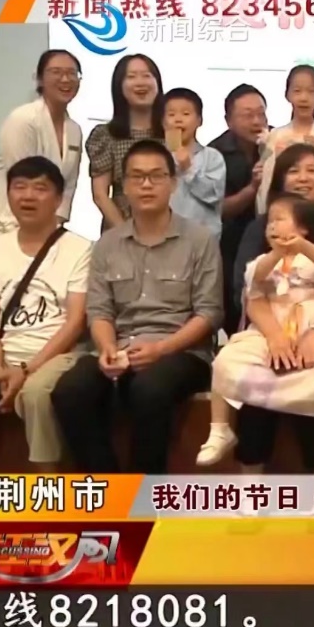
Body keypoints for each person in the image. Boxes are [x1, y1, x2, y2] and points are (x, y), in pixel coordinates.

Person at [51, 140, 221, 473]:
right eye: (137, 177)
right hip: (120, 348)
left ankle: (146, 492)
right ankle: (111, 485)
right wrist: (107, 348)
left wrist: (161, 349)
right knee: (70, 391)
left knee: (148, 389)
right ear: (124, 185)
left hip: (182, 352)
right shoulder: (107, 245)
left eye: (156, 176)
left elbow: (209, 313)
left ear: (173, 183)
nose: (146, 184)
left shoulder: (199, 240)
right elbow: (99, 310)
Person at [200, 194, 314, 468]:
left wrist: (302, 247)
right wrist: (278, 253)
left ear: (303, 228)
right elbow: (253, 280)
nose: (272, 226)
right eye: (269, 222)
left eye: (279, 219)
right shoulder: (264, 260)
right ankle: (219, 429)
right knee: (225, 361)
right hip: (269, 330)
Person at [0, 157, 90, 472]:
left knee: (35, 393)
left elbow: (76, 322)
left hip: (59, 356)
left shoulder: (80, 248)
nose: (28, 196)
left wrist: (26, 369)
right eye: (19, 187)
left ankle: (48, 490)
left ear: (58, 199)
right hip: (5, 355)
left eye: (40, 188)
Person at [0, 49, 83, 245]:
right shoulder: (23, 119)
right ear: (39, 79)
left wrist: (55, 226)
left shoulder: (74, 129)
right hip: (1, 216)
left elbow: (68, 186)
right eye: (56, 72)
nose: (65, 79)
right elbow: (21, 180)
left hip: (45, 221)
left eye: (72, 73)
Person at [211, 84, 269, 335]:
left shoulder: (277, 142)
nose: (257, 121)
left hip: (274, 243)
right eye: (247, 115)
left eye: (261, 114)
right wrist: (252, 188)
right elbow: (217, 210)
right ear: (229, 120)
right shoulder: (214, 154)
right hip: (230, 246)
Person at [256, 65, 314, 218]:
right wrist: (276, 159)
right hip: (282, 215)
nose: (304, 98)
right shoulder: (274, 136)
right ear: (287, 95)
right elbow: (264, 183)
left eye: (311, 91)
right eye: (297, 91)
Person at [86, 54, 165, 232]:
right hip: (120, 228)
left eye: (147, 75)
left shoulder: (171, 132)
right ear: (119, 86)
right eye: (131, 76)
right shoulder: (105, 135)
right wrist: (126, 233)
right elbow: (100, 195)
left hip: (168, 229)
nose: (140, 82)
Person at [164, 88, 227, 236]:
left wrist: (188, 169)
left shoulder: (212, 157)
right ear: (162, 121)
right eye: (171, 114)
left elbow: (214, 196)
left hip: (203, 239)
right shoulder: (157, 158)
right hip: (163, 237)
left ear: (199, 120)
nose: (178, 119)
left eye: (186, 114)